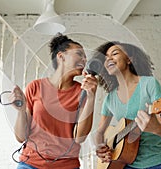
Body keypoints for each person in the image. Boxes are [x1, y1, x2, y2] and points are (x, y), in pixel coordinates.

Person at [10, 33, 98, 169]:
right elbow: (21, 137)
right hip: (31, 163)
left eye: (85, 56)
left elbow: (80, 138)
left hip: (66, 166)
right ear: (61, 56)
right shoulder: (35, 87)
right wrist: (21, 111)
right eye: (79, 54)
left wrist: (91, 96)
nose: (85, 59)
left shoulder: (81, 93)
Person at [94, 41, 161, 169]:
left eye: (114, 53)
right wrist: (100, 148)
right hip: (126, 164)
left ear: (129, 59)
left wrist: (156, 128)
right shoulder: (109, 99)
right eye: (106, 57)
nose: (108, 59)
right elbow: (99, 132)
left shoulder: (149, 84)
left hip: (159, 162)